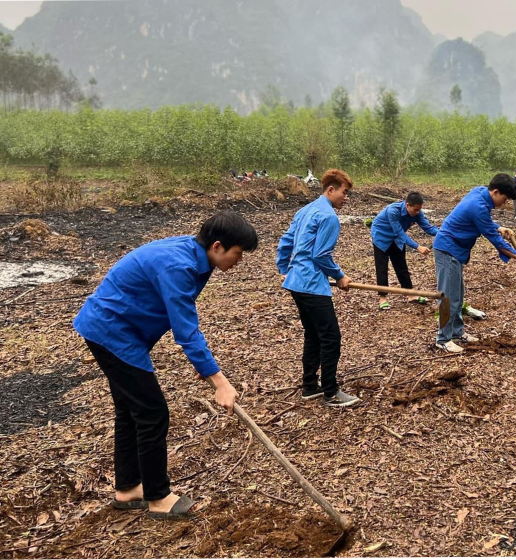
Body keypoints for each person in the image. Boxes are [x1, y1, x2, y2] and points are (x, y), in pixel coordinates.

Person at [73, 211, 258, 520]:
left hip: (119, 330)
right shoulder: (179, 265)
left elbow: (180, 318)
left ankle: (129, 488)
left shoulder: (197, 258)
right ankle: (158, 498)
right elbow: (186, 330)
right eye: (238, 253)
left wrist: (206, 367)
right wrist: (220, 382)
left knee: (131, 410)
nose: (240, 260)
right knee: (151, 412)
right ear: (217, 246)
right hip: (111, 332)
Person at [277, 169, 360, 408]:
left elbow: (286, 241)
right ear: (330, 190)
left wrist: (284, 267)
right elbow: (321, 255)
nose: (347, 197)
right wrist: (340, 276)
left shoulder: (305, 210)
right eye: (345, 192)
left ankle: (310, 386)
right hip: (311, 285)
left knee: (313, 334)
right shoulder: (329, 217)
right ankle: (331, 392)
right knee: (331, 337)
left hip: (296, 283)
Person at [433, 174, 516, 353]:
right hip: (447, 250)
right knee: (449, 297)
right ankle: (443, 339)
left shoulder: (480, 191)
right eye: (504, 199)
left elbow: (484, 220)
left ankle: (457, 332)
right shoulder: (478, 206)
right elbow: (495, 240)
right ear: (495, 192)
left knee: (458, 295)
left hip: (455, 250)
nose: (504, 204)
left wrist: (498, 226)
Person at [370, 191, 438, 310]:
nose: (417, 212)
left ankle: (410, 295)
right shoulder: (393, 211)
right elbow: (400, 233)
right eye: (415, 210)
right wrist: (418, 247)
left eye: (419, 210)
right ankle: (383, 298)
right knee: (382, 267)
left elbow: (428, 228)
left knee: (401, 265)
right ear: (407, 205)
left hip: (396, 239)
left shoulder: (417, 213)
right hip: (381, 236)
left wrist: (445, 233)